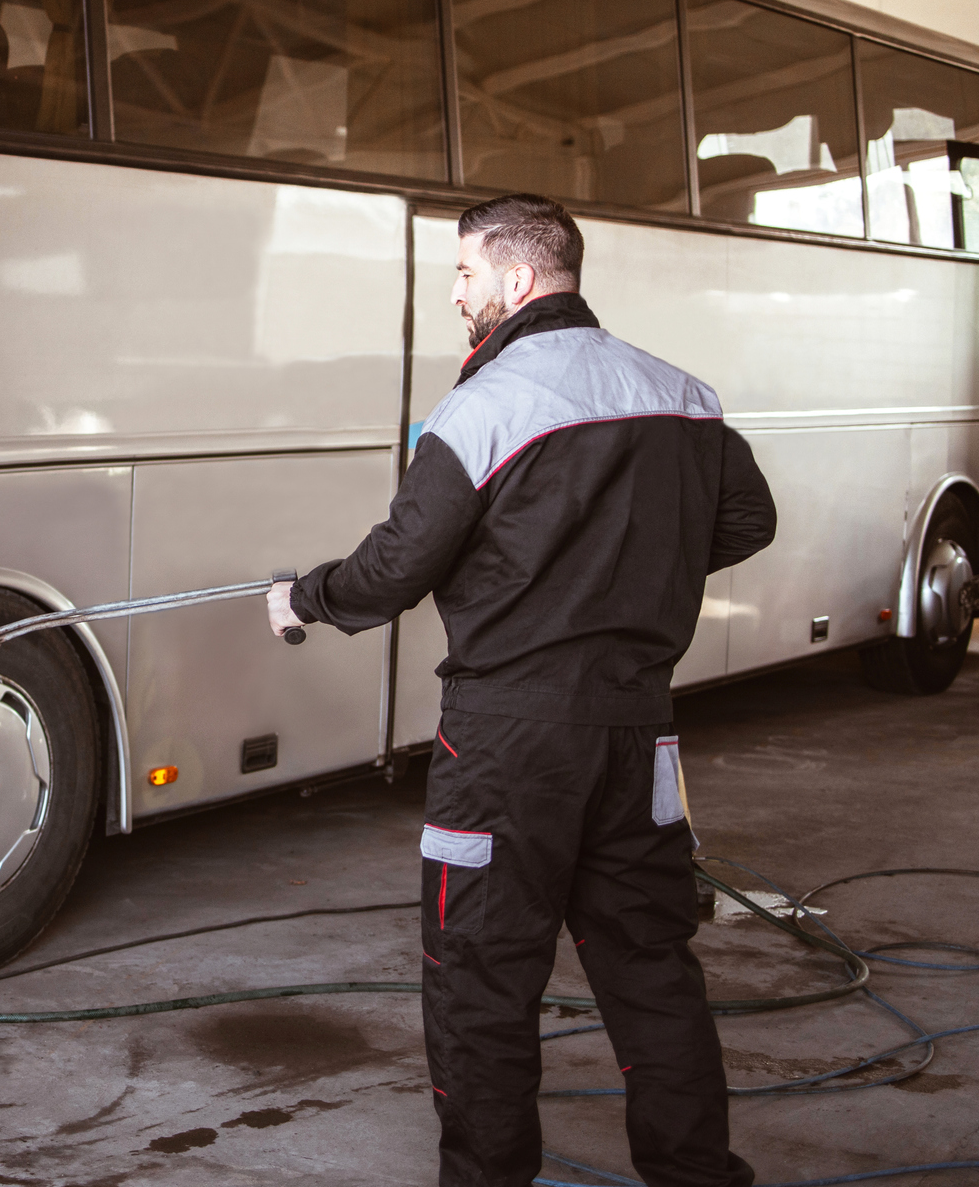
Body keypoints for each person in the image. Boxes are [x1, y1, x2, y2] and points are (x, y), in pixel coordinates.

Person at [267, 193, 775, 1187]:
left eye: (463, 275)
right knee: (652, 972)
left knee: (484, 985)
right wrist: (634, 574)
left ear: (516, 278)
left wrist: (304, 597)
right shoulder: (683, 395)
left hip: (504, 747)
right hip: (639, 738)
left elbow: (394, 569)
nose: (456, 295)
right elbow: (748, 519)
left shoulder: (484, 407)